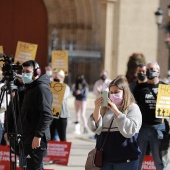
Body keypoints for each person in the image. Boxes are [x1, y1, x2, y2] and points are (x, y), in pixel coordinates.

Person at [88, 76, 142, 170]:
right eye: (111, 92)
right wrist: (97, 108)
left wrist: (116, 111)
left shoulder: (132, 108)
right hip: (105, 159)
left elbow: (130, 131)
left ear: (125, 93)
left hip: (126, 159)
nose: (113, 95)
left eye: (116, 92)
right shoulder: (105, 108)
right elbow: (96, 128)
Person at [133, 61, 169, 170]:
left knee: (159, 160)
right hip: (143, 127)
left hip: (159, 128)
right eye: (147, 69)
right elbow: (134, 106)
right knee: (138, 158)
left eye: (152, 69)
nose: (149, 72)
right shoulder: (139, 88)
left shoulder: (165, 88)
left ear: (158, 71)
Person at [18, 60, 53, 170]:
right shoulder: (30, 88)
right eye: (23, 71)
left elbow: (47, 115)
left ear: (37, 72)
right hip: (28, 137)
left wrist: (38, 135)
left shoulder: (41, 88)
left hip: (36, 139)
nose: (24, 74)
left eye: (27, 71)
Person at [50, 69, 70, 141]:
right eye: (54, 76)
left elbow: (62, 96)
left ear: (62, 78)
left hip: (62, 115)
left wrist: (58, 86)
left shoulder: (66, 87)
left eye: (58, 77)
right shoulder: (50, 86)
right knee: (50, 136)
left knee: (62, 136)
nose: (56, 78)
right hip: (51, 114)